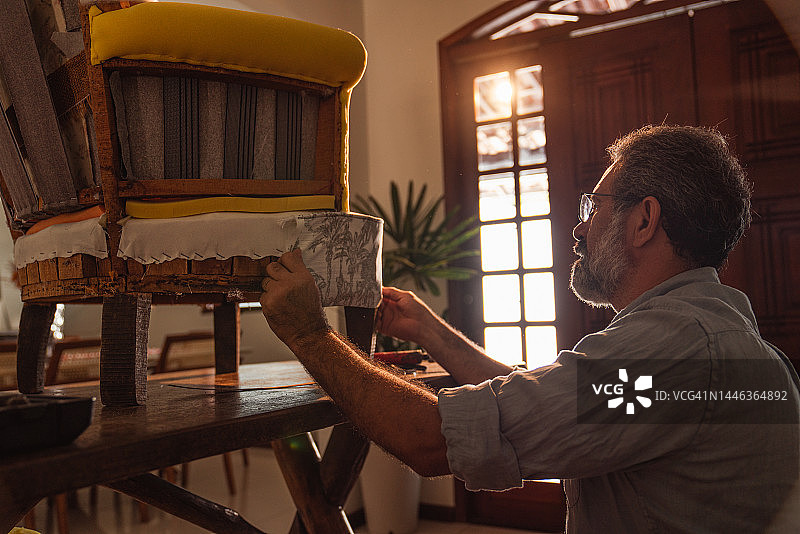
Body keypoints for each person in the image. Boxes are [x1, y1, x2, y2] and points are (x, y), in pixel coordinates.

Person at [260, 125, 800, 532]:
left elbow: (432, 442)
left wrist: (309, 334)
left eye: (596, 205)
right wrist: (430, 330)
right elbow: (547, 409)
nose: (581, 226)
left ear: (644, 220)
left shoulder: (670, 356)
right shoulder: (706, 339)